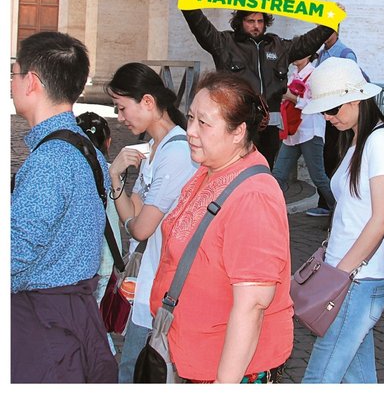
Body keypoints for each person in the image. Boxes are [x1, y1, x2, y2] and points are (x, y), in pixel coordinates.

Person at [149, 71, 294, 383]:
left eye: (203, 123)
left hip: (226, 370)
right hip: (192, 355)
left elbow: (253, 304)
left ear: (238, 131)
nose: (190, 131)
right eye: (190, 118)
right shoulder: (210, 171)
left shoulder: (254, 196)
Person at [11, 31, 117, 383]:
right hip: (75, 318)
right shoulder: (85, 146)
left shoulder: (50, 160)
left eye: (14, 74)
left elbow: (15, 252)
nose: (11, 82)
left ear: (32, 82)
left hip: (44, 327)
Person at [300, 57, 384, 383]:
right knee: (358, 381)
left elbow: (382, 218)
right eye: (323, 111)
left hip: (356, 281)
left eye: (332, 109)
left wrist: (338, 276)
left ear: (356, 98)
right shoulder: (360, 139)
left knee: (318, 379)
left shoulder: (379, 141)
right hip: (350, 278)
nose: (327, 117)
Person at [105, 62, 198, 383]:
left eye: (121, 108)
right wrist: (115, 175)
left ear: (147, 101)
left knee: (135, 372)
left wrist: (132, 221)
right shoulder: (155, 148)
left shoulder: (176, 153)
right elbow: (132, 211)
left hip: (161, 285)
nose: (120, 117)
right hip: (147, 281)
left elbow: (139, 227)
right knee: (134, 370)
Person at [178, 0, 334, 170]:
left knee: (263, 170)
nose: (256, 26)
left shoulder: (278, 45)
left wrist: (329, 22)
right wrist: (188, 4)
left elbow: (306, 44)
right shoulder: (225, 43)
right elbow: (202, 29)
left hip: (269, 127)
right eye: (250, 21)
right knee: (234, 169)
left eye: (260, 21)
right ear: (240, 22)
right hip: (237, 123)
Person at [307, 25, 361, 217]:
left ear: (336, 31)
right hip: (330, 114)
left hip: (341, 113)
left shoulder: (346, 53)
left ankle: (333, 204)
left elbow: (350, 85)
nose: (322, 34)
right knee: (328, 156)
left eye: (326, 29)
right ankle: (327, 204)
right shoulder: (321, 54)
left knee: (338, 155)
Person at [272, 55, 335, 212]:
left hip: (310, 131)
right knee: (277, 175)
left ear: (309, 55)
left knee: (318, 177)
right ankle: (269, 210)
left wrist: (292, 98)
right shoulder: (292, 75)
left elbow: (317, 104)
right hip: (293, 132)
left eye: (301, 52)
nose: (297, 55)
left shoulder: (315, 75)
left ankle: (339, 208)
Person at [76, 111, 122, 306]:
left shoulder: (73, 172)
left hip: (80, 261)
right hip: (108, 257)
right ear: (108, 142)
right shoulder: (113, 173)